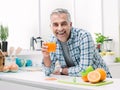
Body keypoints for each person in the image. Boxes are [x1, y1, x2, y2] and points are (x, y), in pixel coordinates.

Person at [41, 8, 112, 78]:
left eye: (63, 24)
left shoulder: (83, 36)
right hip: (78, 81)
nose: (60, 29)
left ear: (70, 24)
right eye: (55, 25)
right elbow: (48, 71)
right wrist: (46, 56)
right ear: (51, 27)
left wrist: (62, 71)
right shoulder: (52, 40)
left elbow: (84, 70)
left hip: (101, 80)